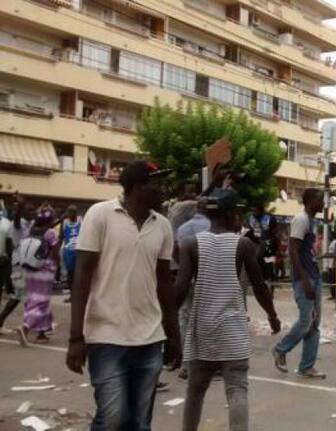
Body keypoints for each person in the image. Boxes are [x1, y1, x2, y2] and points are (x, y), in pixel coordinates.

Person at [65, 160, 181, 430]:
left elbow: (164, 284)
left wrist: (174, 335)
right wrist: (75, 337)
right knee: (112, 418)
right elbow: (81, 278)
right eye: (157, 184)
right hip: (106, 336)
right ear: (138, 187)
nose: (163, 190)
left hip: (150, 338)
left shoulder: (163, 225)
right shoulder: (100, 215)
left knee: (140, 422)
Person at [176, 188, 280, 431]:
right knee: (237, 390)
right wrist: (272, 315)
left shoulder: (191, 245)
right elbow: (259, 286)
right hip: (233, 333)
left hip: (202, 331)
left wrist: (168, 326)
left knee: (195, 390)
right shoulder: (243, 245)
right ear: (231, 215)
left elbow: (180, 289)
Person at [272, 188, 327, 379]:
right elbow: (293, 251)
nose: (323, 203)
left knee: (314, 324)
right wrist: (304, 281)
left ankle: (306, 366)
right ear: (310, 201)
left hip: (314, 276)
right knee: (306, 321)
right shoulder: (301, 220)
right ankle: (280, 349)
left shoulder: (312, 221)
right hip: (305, 278)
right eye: (320, 200)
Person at [174, 198, 211, 380]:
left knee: (185, 319)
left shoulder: (183, 229)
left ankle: (186, 364)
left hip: (186, 279)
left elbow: (175, 252)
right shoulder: (213, 228)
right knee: (206, 321)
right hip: (207, 280)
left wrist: (184, 267)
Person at [17, 208, 59, 345]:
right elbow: (55, 253)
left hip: (30, 269)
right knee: (41, 301)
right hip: (45, 271)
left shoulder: (30, 231)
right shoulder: (51, 233)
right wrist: (57, 266)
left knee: (35, 298)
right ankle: (25, 327)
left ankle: (42, 334)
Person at [0, 200, 34, 330]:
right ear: (23, 212)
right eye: (29, 210)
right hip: (19, 265)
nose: (32, 212)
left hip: (28, 264)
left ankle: (29, 325)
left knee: (24, 296)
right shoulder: (18, 224)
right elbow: (17, 219)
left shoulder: (30, 224)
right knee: (17, 296)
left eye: (32, 210)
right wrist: (19, 207)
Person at [246, 202, 278, 291]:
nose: (254, 213)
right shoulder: (250, 218)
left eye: (255, 210)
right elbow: (248, 233)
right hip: (255, 249)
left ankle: (269, 288)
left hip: (269, 250)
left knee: (269, 269)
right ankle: (259, 288)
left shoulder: (270, 218)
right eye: (252, 210)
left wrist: (272, 247)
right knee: (257, 270)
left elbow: (275, 235)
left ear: (261, 210)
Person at [60, 205, 82, 293]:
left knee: (79, 271)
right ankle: (71, 290)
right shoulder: (65, 222)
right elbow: (61, 236)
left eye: (73, 212)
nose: (71, 214)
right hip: (68, 250)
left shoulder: (81, 220)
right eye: (69, 212)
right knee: (70, 272)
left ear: (76, 213)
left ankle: (77, 290)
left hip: (79, 249)